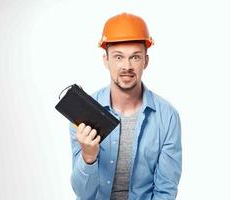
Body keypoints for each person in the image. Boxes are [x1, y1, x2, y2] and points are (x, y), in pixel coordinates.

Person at [69, 12, 182, 200]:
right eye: (118, 57)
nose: (127, 66)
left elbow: (165, 191)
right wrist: (88, 158)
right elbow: (83, 193)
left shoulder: (167, 117)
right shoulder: (84, 113)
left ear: (146, 61)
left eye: (135, 57)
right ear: (106, 60)